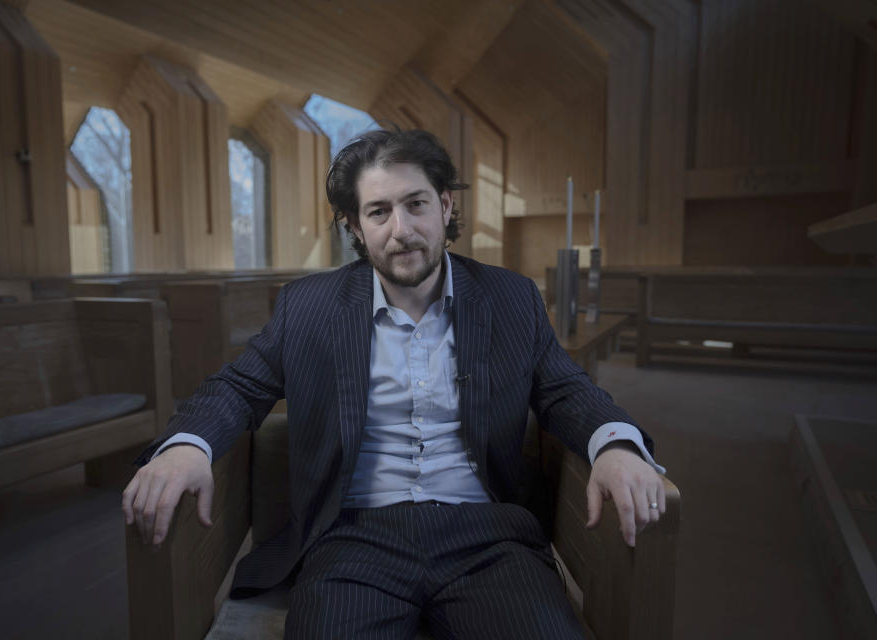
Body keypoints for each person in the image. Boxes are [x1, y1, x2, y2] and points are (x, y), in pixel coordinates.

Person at [123, 128, 666, 639]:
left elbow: (565, 389)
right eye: (378, 212)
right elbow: (238, 388)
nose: (401, 229)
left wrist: (616, 445)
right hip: (353, 536)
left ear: (446, 206)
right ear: (356, 228)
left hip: (489, 535)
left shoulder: (509, 297)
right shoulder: (308, 307)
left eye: (416, 204)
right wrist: (185, 448)